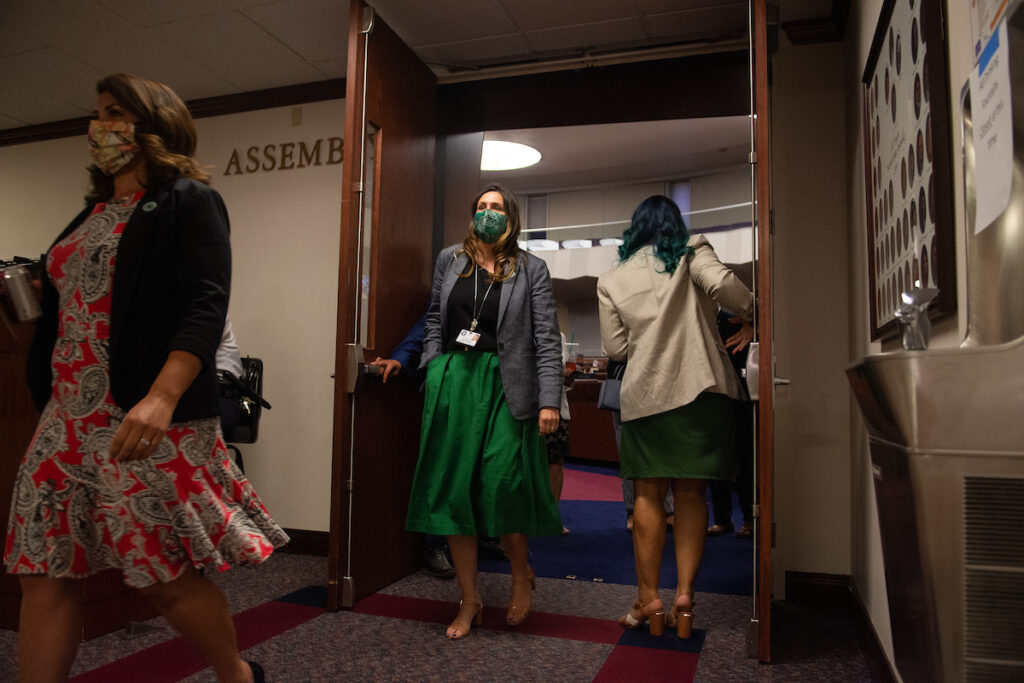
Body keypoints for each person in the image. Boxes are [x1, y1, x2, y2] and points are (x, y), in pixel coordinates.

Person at [3, 73, 287, 683]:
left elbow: (205, 306)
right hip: (65, 421)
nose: (98, 126)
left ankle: (235, 674)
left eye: (114, 113)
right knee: (43, 569)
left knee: (163, 576)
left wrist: (161, 397)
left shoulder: (188, 198)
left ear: (154, 125)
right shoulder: (89, 214)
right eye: (97, 114)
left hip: (143, 414)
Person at [405, 184, 563, 639]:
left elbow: (547, 338)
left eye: (495, 207)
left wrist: (549, 398)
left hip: (506, 387)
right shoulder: (450, 259)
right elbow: (435, 316)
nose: (487, 213)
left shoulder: (532, 268)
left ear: (511, 216)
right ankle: (470, 599)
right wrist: (433, 366)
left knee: (502, 487)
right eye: (480, 207)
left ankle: (519, 576)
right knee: (456, 493)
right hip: (455, 382)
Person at [597, 195, 752, 639]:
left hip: (647, 395)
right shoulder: (692, 251)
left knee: (647, 495)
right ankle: (685, 596)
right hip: (702, 389)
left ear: (635, 229)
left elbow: (616, 351)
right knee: (691, 495)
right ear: (674, 225)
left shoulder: (612, 278)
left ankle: (650, 599)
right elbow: (727, 288)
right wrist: (755, 313)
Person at [707, 312, 755, 539]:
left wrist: (753, 326)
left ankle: (749, 519)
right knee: (715, 461)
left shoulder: (734, 318)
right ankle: (722, 519)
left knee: (745, 459)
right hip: (711, 396)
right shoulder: (695, 317)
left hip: (741, 394)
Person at [547, 332, 574, 535]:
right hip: (526, 408)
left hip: (558, 407)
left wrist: (566, 374)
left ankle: (552, 517)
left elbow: (564, 371)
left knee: (555, 463)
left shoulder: (559, 335)